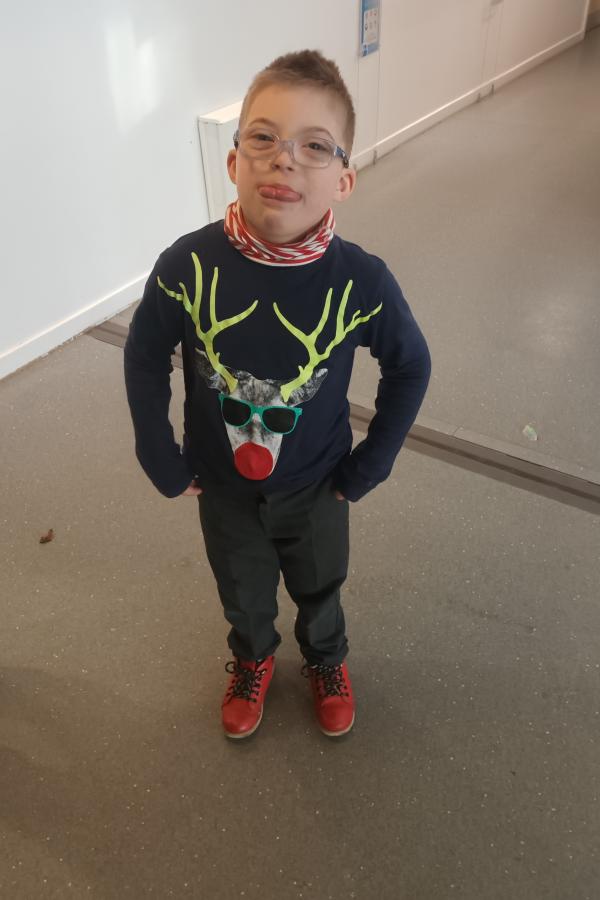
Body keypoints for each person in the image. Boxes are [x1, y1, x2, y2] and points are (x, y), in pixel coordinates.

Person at [124, 49, 431, 740]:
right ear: (234, 161)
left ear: (344, 179)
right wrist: (158, 453)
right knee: (242, 588)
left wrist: (370, 465)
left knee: (321, 583)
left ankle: (325, 658)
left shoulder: (363, 283)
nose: (284, 160)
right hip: (222, 484)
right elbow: (144, 356)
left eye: (315, 146)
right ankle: (253, 658)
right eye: (263, 137)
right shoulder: (185, 266)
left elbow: (410, 367)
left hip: (319, 484)